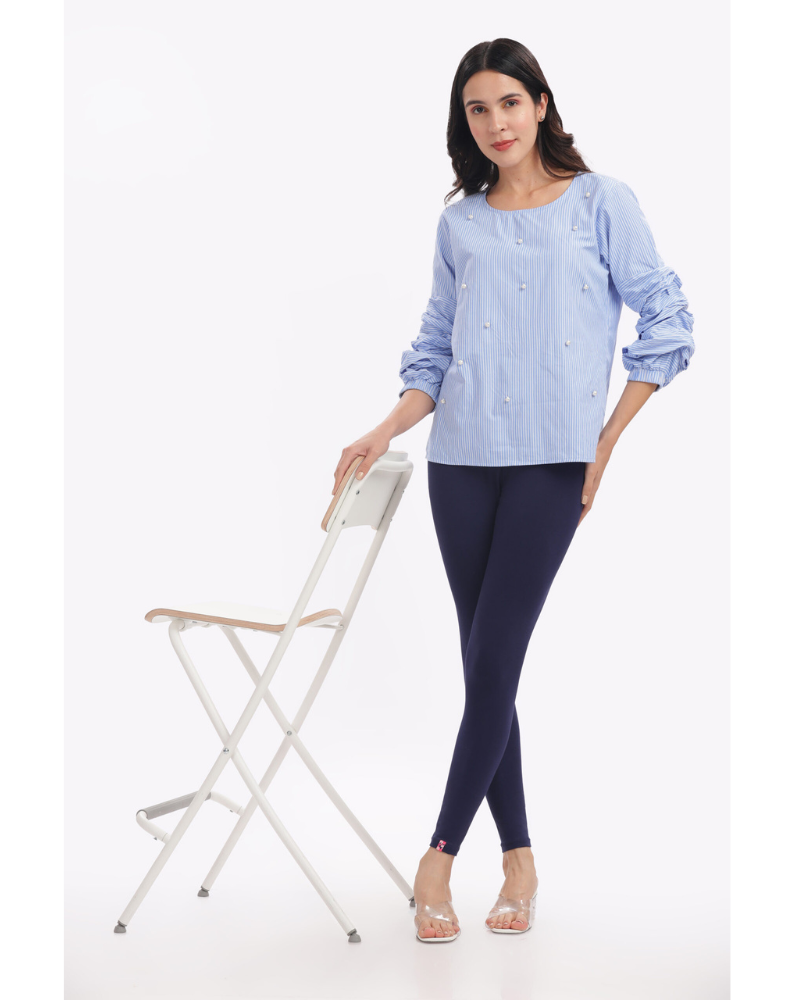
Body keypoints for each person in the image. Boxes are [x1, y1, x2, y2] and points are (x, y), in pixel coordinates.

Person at [331, 38, 694, 943]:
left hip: (553, 464)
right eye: (477, 109)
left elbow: (669, 321)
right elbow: (435, 348)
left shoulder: (603, 203)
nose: (495, 123)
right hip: (460, 463)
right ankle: (521, 858)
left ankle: (438, 857)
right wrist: (384, 428)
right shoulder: (461, 224)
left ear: (541, 104)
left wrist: (603, 446)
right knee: (486, 668)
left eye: (508, 103)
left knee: (493, 661)